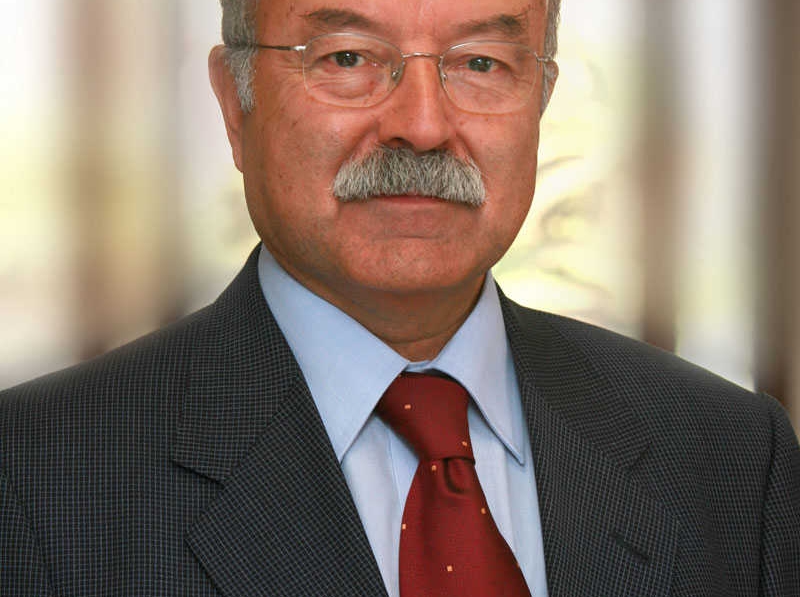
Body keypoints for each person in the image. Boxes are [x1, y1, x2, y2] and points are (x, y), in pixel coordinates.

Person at [1, 0, 798, 594]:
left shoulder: (733, 457)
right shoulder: (37, 475)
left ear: (541, 98)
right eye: (348, 57)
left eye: (481, 63)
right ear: (235, 104)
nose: (422, 125)